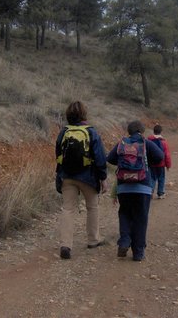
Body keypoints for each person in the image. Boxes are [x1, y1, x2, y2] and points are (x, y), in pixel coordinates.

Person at [55, 101, 108, 259]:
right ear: (84, 114)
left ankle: (66, 244)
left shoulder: (63, 132)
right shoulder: (91, 132)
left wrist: (60, 175)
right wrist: (103, 178)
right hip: (88, 176)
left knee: (68, 209)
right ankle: (93, 239)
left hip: (67, 176)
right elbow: (99, 157)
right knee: (92, 207)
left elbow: (58, 155)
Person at [107, 120, 164, 261]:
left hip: (123, 187)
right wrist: (145, 162)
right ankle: (138, 253)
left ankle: (125, 241)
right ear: (142, 131)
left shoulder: (122, 143)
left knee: (125, 214)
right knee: (141, 218)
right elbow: (160, 157)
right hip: (143, 187)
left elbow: (110, 158)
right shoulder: (146, 143)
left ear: (129, 131)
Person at [147, 124, 172, 199]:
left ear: (153, 131)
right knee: (161, 178)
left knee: (152, 178)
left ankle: (150, 192)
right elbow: (167, 155)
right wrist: (168, 165)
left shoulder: (148, 141)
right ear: (161, 132)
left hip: (151, 164)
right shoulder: (164, 142)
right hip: (161, 164)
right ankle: (160, 194)